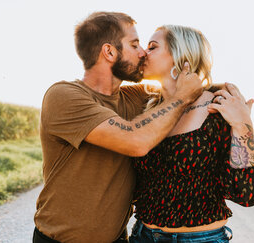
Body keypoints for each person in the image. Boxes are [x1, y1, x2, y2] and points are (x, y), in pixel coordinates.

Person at [33, 12, 205, 243]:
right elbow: (135, 141)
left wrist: (226, 94)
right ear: (110, 52)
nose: (143, 52)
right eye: (135, 45)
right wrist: (182, 97)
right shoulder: (64, 96)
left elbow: (176, 89)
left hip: (119, 239)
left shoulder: (134, 97)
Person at [130, 25, 254, 242]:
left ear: (181, 55)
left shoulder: (218, 105)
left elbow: (248, 193)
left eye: (152, 47)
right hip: (144, 235)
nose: (142, 53)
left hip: (201, 238)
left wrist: (243, 125)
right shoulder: (146, 108)